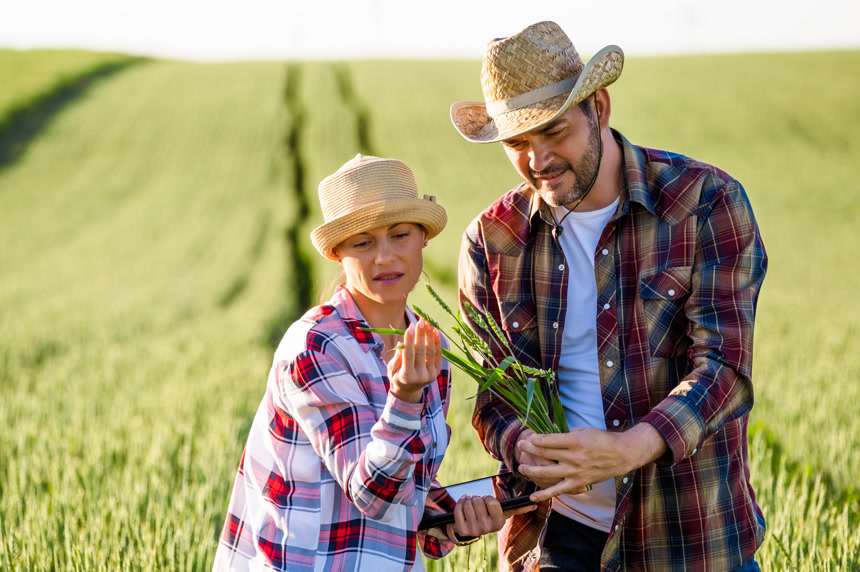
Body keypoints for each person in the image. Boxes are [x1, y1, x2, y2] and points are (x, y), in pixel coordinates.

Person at [452, 21, 767, 572]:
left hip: (689, 540)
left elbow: (724, 368)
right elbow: (492, 395)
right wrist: (519, 442)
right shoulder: (492, 241)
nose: (538, 159)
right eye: (518, 143)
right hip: (556, 539)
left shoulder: (705, 202)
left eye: (553, 132)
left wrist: (632, 447)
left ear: (599, 107)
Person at [213, 154, 526, 571]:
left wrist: (453, 521)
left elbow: (405, 492)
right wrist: (405, 395)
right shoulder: (316, 346)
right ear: (337, 253)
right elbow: (371, 494)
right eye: (362, 242)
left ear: (423, 240)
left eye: (400, 235)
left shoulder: (429, 348)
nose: (384, 256)